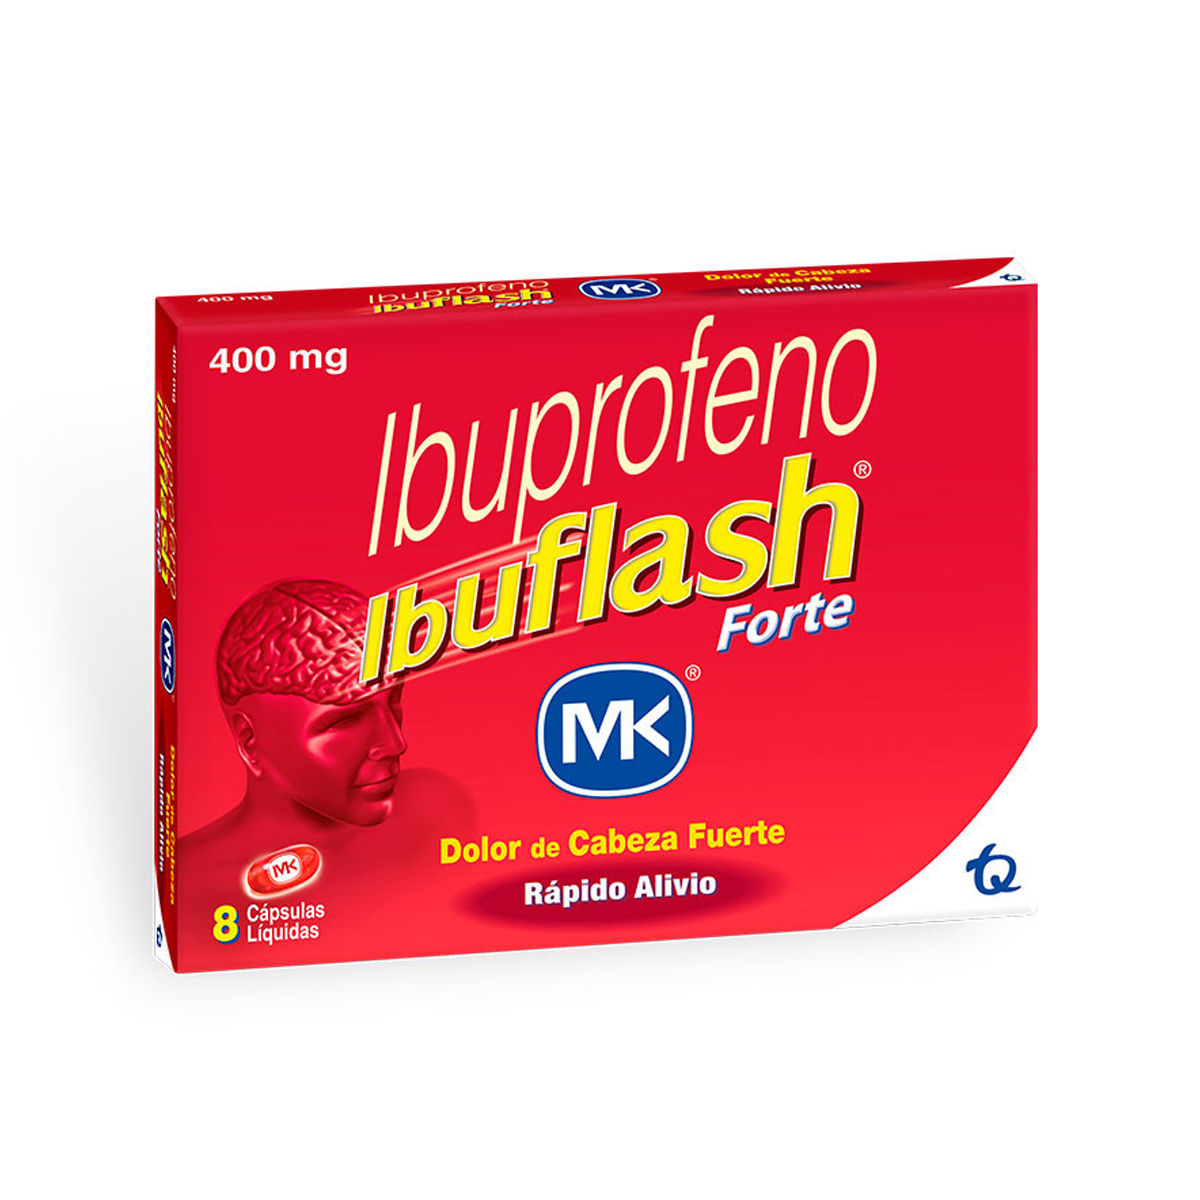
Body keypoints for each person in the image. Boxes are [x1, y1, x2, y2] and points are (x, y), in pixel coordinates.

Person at [179, 579, 472, 906]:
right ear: (249, 743)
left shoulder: (437, 818)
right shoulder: (192, 892)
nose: (395, 743)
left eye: (394, 700)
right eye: (345, 721)